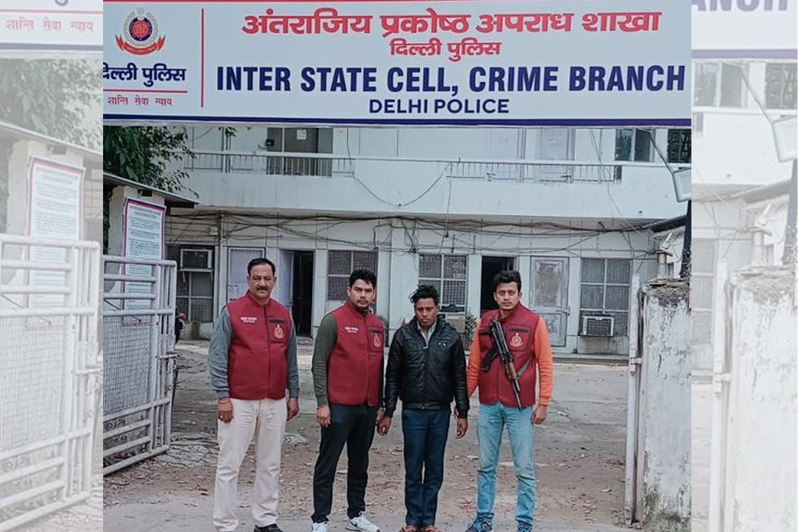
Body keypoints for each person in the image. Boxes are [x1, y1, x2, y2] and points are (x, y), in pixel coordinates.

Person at [209, 257, 299, 532]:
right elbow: (217, 355)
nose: (262, 283)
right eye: (257, 278)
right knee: (229, 464)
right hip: (238, 401)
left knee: (270, 464)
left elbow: (291, 358)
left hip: (275, 400)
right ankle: (225, 524)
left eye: (267, 278)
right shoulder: (232, 312)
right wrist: (223, 397)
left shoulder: (283, 314)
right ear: (248, 280)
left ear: (274, 281)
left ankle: (265, 520)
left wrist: (294, 393)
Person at [464, 271, 554, 532]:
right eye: (502, 293)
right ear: (494, 295)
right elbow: (475, 364)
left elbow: (546, 364)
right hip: (489, 405)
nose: (506, 297)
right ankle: (483, 520)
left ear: (519, 294)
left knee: (524, 468)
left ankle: (524, 523)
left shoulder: (534, 322)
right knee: (485, 466)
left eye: (511, 292)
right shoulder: (485, 321)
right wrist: (462, 401)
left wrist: (543, 402)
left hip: (520, 407)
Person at [379, 285, 469, 532]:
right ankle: (412, 520)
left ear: (437, 308)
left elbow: (459, 377)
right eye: (420, 309)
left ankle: (428, 521)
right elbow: (392, 376)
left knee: (435, 468)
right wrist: (388, 411)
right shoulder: (403, 336)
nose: (425, 314)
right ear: (414, 309)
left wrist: (462, 411)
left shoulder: (451, 337)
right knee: (413, 467)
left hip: (440, 411)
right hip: (413, 412)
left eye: (429, 309)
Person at [311, 269, 384, 532]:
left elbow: (379, 366)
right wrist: (322, 403)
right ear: (349, 291)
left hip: (367, 406)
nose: (363, 295)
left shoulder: (377, 325)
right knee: (328, 462)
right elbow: (319, 363)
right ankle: (320, 518)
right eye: (358, 290)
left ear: (374, 294)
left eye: (368, 291)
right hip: (338, 406)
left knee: (360, 463)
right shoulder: (333, 321)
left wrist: (381, 404)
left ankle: (356, 514)